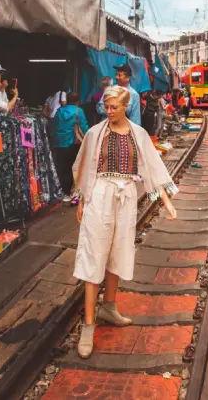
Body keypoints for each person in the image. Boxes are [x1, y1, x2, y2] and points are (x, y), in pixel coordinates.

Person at [71, 86, 178, 359]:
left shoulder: (138, 134)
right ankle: (88, 325)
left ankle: (109, 307)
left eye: (113, 107)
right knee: (94, 254)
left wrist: (165, 200)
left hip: (126, 196)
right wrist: (82, 199)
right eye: (106, 107)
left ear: (125, 107)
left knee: (118, 251)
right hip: (99, 195)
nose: (108, 111)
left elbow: (152, 168)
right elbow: (84, 167)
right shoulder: (96, 133)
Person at [52, 92, 89, 203]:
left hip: (58, 142)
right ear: (78, 101)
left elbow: (54, 126)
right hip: (72, 142)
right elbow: (84, 127)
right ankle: (69, 192)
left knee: (61, 167)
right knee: (72, 167)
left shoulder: (59, 111)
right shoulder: (78, 111)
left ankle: (62, 191)